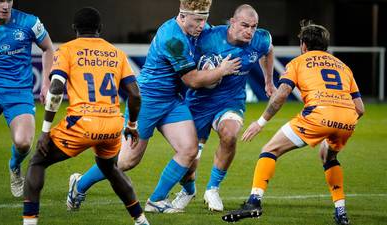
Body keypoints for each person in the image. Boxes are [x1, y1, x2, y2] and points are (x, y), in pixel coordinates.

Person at [66, 0, 241, 213]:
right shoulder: (172, 37)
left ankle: (157, 200)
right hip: (147, 100)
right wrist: (221, 70)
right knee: (126, 161)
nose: (202, 25)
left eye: (204, 19)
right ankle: (80, 184)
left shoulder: (198, 29)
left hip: (173, 100)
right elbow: (192, 80)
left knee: (189, 149)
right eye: (197, 20)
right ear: (182, 16)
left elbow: (218, 36)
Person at [221, 21, 365, 225]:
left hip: (317, 116)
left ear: (304, 45)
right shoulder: (343, 66)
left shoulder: (298, 62)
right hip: (348, 119)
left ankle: (254, 202)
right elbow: (360, 108)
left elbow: (280, 96)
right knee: (329, 157)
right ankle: (341, 213)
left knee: (270, 150)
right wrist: (339, 124)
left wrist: (260, 122)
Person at [22, 7, 149, 225]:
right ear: (100, 28)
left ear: (74, 29)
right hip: (112, 125)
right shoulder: (116, 53)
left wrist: (45, 131)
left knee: (37, 162)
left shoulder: (67, 50)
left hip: (81, 124)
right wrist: (132, 125)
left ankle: (29, 222)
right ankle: (140, 220)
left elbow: (55, 88)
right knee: (110, 168)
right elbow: (135, 94)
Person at [171, 4, 276, 212]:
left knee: (229, 134)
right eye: (245, 25)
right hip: (198, 103)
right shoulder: (207, 37)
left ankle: (212, 189)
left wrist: (268, 81)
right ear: (232, 22)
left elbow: (269, 50)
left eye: (253, 26)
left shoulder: (260, 39)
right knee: (188, 158)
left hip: (230, 101)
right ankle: (188, 190)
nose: (249, 31)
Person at [0, 0, 54, 197]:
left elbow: (49, 48)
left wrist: (46, 84)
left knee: (24, 142)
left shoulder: (29, 22)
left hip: (19, 93)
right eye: (0, 0)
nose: (5, 5)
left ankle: (14, 166)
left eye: (9, 0)